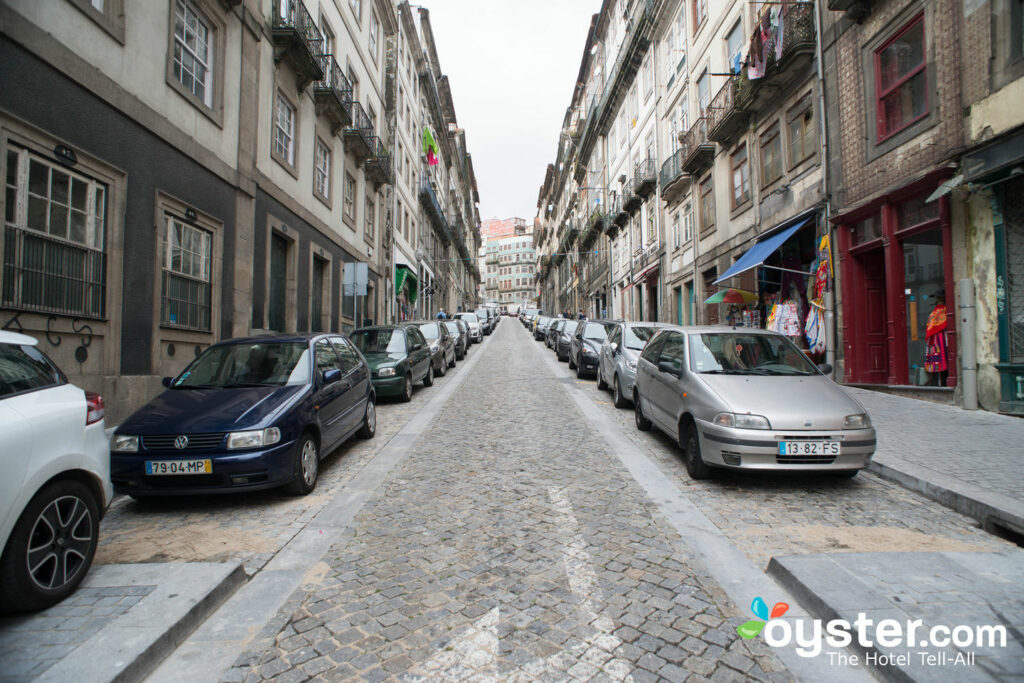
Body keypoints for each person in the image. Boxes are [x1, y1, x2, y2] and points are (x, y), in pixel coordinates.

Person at [924, 289, 948, 386]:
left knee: (939, 358)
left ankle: (935, 380)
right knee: (942, 358)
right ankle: (940, 380)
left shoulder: (936, 312)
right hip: (939, 339)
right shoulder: (942, 311)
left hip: (936, 340)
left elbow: (931, 327)